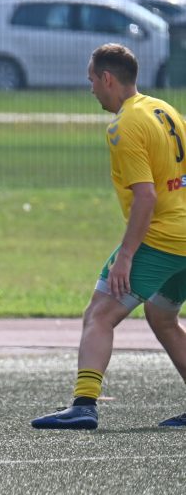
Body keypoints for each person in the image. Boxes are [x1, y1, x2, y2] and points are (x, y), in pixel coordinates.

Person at [32, 43, 186, 430]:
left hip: (162, 240)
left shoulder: (124, 126)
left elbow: (146, 197)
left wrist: (127, 256)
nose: (91, 90)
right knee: (162, 316)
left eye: (92, 81)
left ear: (108, 78)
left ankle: (84, 405)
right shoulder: (164, 109)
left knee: (99, 315)